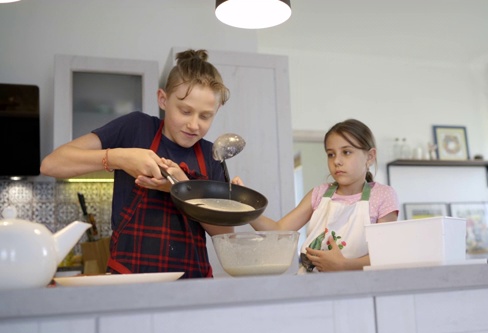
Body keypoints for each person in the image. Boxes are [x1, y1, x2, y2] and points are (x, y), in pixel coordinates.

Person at [40, 49, 233, 278]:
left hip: (192, 281)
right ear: (163, 99)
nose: (194, 125)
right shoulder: (136, 129)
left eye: (205, 116)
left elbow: (224, 235)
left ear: (216, 111)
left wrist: (185, 191)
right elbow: (51, 164)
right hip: (129, 277)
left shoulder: (212, 156)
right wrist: (120, 158)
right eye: (185, 111)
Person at [234, 119, 399, 272]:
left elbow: (385, 256)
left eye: (346, 152)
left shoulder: (383, 195)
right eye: (331, 154)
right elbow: (278, 231)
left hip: (356, 290)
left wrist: (344, 265)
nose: (337, 161)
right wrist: (245, 206)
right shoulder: (319, 194)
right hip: (311, 285)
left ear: (370, 157)